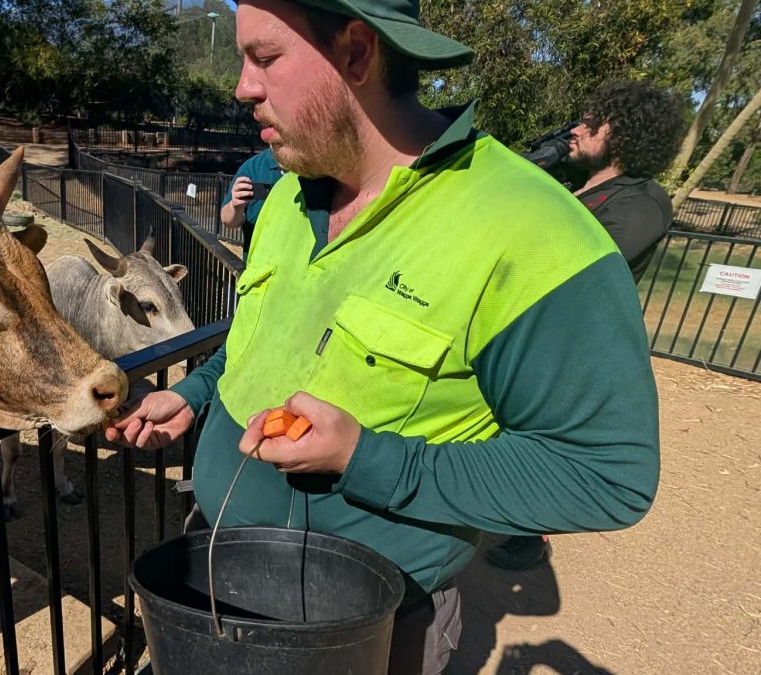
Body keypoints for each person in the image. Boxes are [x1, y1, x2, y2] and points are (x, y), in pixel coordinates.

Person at [107, 1, 660, 673]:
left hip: (366, 631)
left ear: (358, 52)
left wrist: (365, 457)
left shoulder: (535, 230)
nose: (242, 87)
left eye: (265, 57)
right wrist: (195, 393)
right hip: (218, 570)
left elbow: (606, 475)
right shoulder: (286, 197)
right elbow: (259, 333)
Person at [487, 80, 683, 571]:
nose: (577, 128)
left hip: (571, 340)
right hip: (528, 323)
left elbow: (578, 258)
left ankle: (529, 535)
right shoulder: (580, 186)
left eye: (593, 122)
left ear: (624, 135)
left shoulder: (643, 202)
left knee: (539, 435)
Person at [220, 147, 285, 258]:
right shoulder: (253, 168)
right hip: (259, 262)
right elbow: (228, 221)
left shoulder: (314, 167)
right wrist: (235, 206)